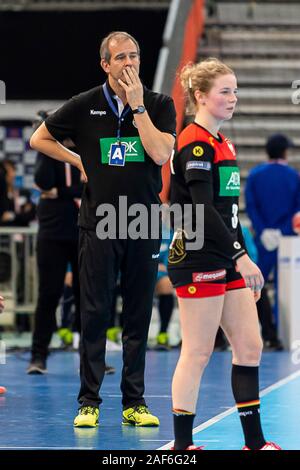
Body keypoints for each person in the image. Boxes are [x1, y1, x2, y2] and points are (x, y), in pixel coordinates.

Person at [30, 31, 176, 427]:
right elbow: (38, 137)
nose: (130, 63)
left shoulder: (160, 104)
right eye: (121, 58)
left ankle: (135, 402)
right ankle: (89, 402)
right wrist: (77, 159)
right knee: (94, 313)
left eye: (135, 56)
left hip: (143, 222)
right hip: (99, 223)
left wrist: (138, 108)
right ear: (105, 65)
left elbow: (161, 154)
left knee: (137, 314)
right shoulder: (86, 104)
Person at [168, 58, 280, 450]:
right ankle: (182, 446)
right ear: (200, 96)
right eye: (225, 91)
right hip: (198, 257)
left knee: (250, 346)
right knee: (197, 352)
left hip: (227, 256)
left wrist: (241, 256)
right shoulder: (194, 140)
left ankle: (255, 442)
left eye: (235, 91)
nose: (233, 98)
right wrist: (241, 257)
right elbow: (201, 210)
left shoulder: (223, 142)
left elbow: (229, 213)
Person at [27, 127, 83, 374]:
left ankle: (92, 356)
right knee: (48, 294)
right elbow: (43, 181)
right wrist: (46, 143)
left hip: (85, 229)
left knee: (89, 296)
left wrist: (60, 193)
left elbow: (90, 187)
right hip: (53, 232)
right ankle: (38, 356)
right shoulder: (50, 151)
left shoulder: (85, 146)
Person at [245, 133, 300, 327]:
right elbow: (297, 209)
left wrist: (263, 231)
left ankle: (258, 328)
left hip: (262, 239)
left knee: (254, 285)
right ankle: (282, 329)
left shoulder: (255, 174)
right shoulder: (294, 176)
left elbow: (251, 206)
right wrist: (283, 231)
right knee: (285, 288)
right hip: (287, 241)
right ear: (285, 152)